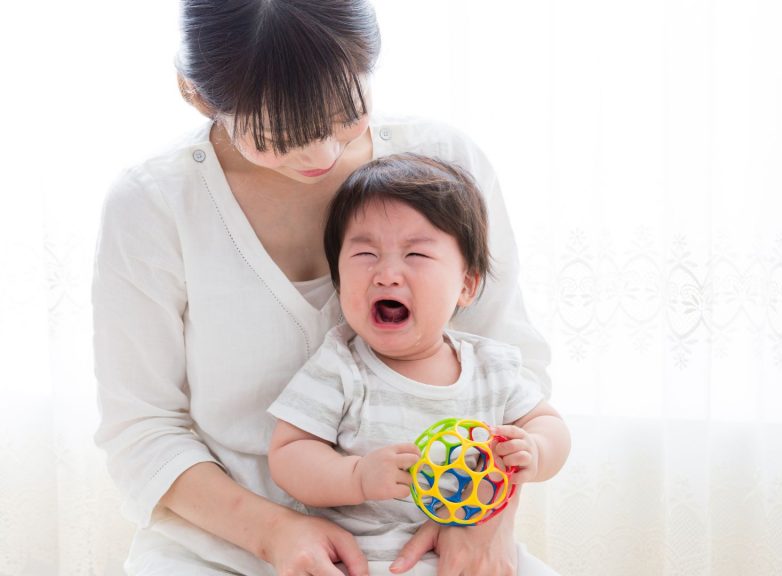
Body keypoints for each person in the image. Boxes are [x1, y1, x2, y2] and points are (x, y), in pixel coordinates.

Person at [92, 1, 553, 574]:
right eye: (279, 134)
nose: (323, 153)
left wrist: (482, 517)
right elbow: (143, 429)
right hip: (221, 544)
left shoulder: (442, 162)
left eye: (347, 111)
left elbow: (511, 368)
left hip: (425, 534)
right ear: (197, 95)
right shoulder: (155, 204)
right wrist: (271, 533)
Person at [266, 153, 571, 575]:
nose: (387, 274)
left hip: (478, 550)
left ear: (465, 286)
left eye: (416, 256)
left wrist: (536, 449)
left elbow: (548, 423)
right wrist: (355, 476)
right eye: (365, 253)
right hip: (373, 556)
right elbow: (288, 451)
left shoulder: (491, 367)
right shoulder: (342, 366)